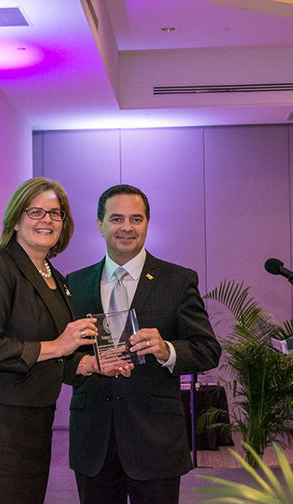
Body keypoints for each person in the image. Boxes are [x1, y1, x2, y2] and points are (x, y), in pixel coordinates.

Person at [0, 177, 127, 504]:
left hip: (35, 422)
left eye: (55, 214)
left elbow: (58, 356)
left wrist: (89, 364)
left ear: (64, 224)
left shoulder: (57, 279)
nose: (46, 220)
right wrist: (60, 345)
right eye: (36, 211)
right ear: (16, 220)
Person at [65, 184, 222, 504]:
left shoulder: (178, 280)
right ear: (100, 224)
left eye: (136, 219)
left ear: (147, 223)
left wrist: (167, 350)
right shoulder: (73, 283)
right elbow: (58, 355)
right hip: (93, 438)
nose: (126, 227)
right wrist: (83, 364)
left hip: (156, 440)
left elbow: (208, 349)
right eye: (116, 219)